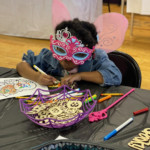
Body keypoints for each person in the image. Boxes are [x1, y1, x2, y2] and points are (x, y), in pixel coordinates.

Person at [16, 19, 122, 87]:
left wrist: (80, 75)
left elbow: (115, 76)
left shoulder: (97, 58)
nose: (66, 62)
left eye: (76, 56)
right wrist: (36, 77)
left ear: (89, 53)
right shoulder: (49, 57)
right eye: (61, 52)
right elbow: (22, 65)